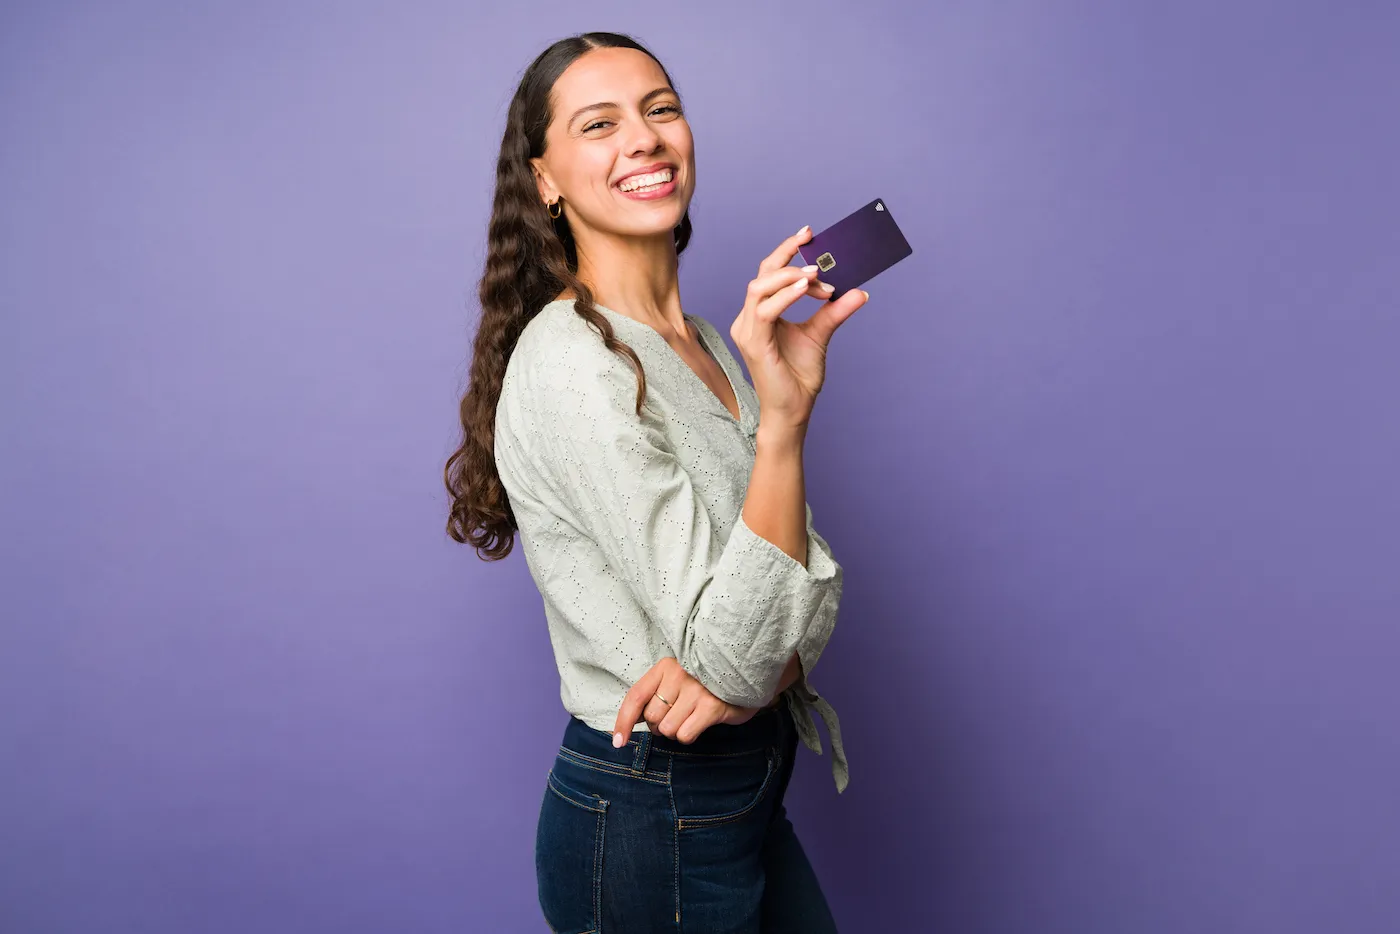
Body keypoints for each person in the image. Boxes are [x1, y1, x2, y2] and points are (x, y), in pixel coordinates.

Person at [444, 31, 868, 933]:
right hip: (650, 809)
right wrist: (784, 427)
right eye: (599, 123)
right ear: (545, 181)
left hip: (740, 792)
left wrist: (755, 660)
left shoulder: (712, 343)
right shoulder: (574, 364)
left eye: (660, 108)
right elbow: (753, 642)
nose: (642, 137)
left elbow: (799, 610)